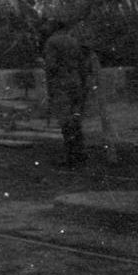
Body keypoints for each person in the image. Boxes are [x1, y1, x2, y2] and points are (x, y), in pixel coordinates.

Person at [43, 20, 91, 166]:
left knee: (65, 121)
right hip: (75, 82)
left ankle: (71, 156)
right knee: (76, 119)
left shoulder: (52, 42)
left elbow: (51, 66)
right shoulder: (74, 41)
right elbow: (83, 65)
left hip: (61, 84)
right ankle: (81, 152)